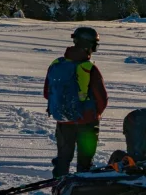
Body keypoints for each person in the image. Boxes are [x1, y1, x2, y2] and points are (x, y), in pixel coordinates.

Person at [44, 27, 108, 178]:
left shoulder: (56, 63)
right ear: (88, 45)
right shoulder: (89, 68)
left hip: (63, 121)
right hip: (87, 122)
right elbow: (102, 99)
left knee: (63, 160)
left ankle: (58, 191)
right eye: (94, 45)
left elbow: (47, 93)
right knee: (85, 162)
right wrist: (93, 113)